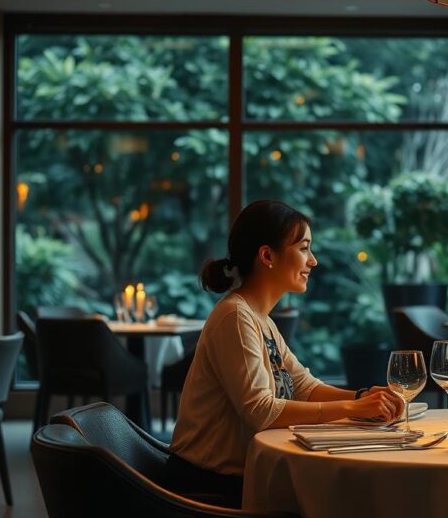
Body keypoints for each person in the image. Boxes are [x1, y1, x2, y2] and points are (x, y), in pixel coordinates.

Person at [168, 200, 402, 508]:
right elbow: (261, 412)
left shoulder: (260, 319)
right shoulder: (235, 317)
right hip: (207, 491)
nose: (313, 261)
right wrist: (351, 408)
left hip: (234, 480)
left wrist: (361, 398)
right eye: (304, 248)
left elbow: (303, 387)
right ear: (267, 256)